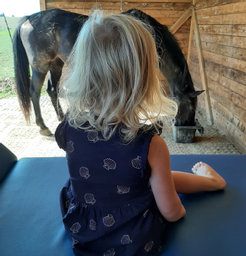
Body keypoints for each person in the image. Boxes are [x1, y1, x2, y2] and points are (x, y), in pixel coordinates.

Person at [55, 10, 226, 256]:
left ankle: (209, 181)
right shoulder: (151, 144)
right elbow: (171, 212)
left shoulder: (68, 128)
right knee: (158, 177)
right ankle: (213, 182)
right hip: (134, 241)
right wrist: (181, 211)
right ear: (144, 80)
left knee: (150, 177)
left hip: (83, 231)